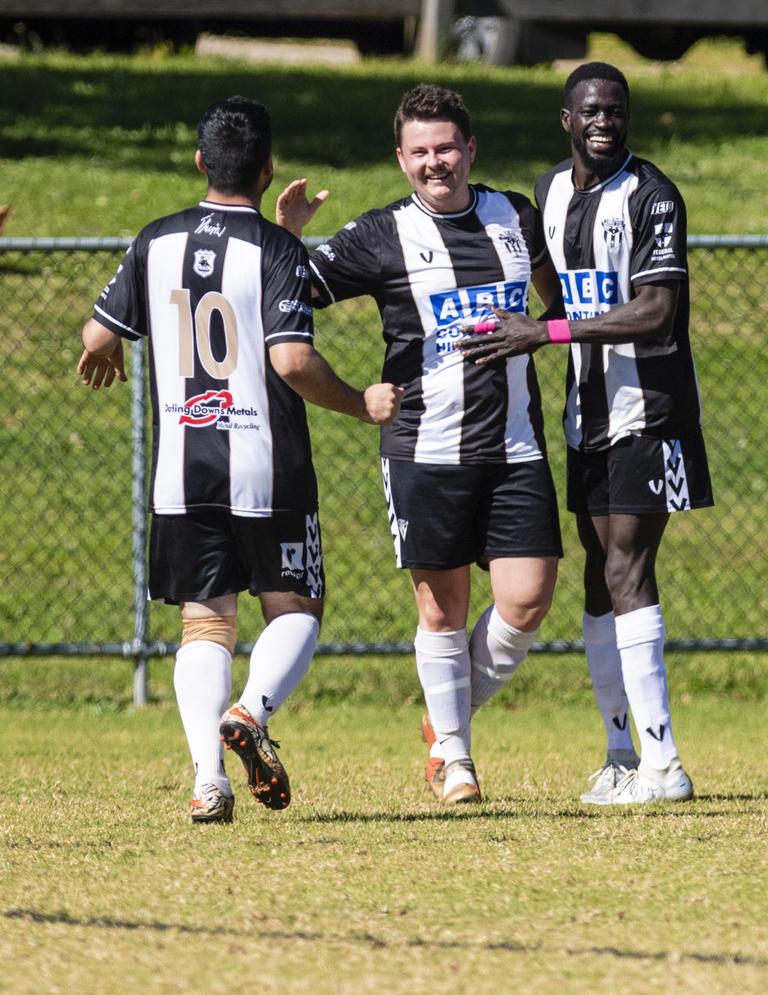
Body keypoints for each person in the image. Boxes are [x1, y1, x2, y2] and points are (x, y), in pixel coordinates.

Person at [78, 96, 402, 824]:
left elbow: (98, 337)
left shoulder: (153, 239)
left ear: (200, 162)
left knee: (205, 623)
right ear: (268, 168)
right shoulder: (278, 251)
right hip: (267, 461)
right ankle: (252, 712)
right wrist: (359, 403)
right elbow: (291, 360)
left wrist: (109, 357)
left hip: (182, 469)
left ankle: (206, 779)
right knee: (296, 605)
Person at [276, 83, 563, 805]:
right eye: (420, 152)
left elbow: (558, 296)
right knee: (443, 611)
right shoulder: (380, 233)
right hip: (422, 446)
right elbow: (288, 293)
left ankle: (442, 722)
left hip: (515, 443)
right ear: (401, 160)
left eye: (446, 148)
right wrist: (286, 235)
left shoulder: (514, 215)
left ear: (471, 150)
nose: (436, 163)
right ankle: (456, 760)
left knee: (525, 601)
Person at [458, 63, 714, 805]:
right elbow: (547, 283)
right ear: (567, 119)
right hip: (587, 416)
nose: (605, 122)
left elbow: (657, 309)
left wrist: (548, 331)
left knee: (630, 570)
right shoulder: (549, 191)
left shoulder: (653, 196)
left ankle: (665, 765)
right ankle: (620, 755)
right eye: (592, 111)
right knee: (600, 577)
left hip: (650, 411)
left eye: (617, 111)